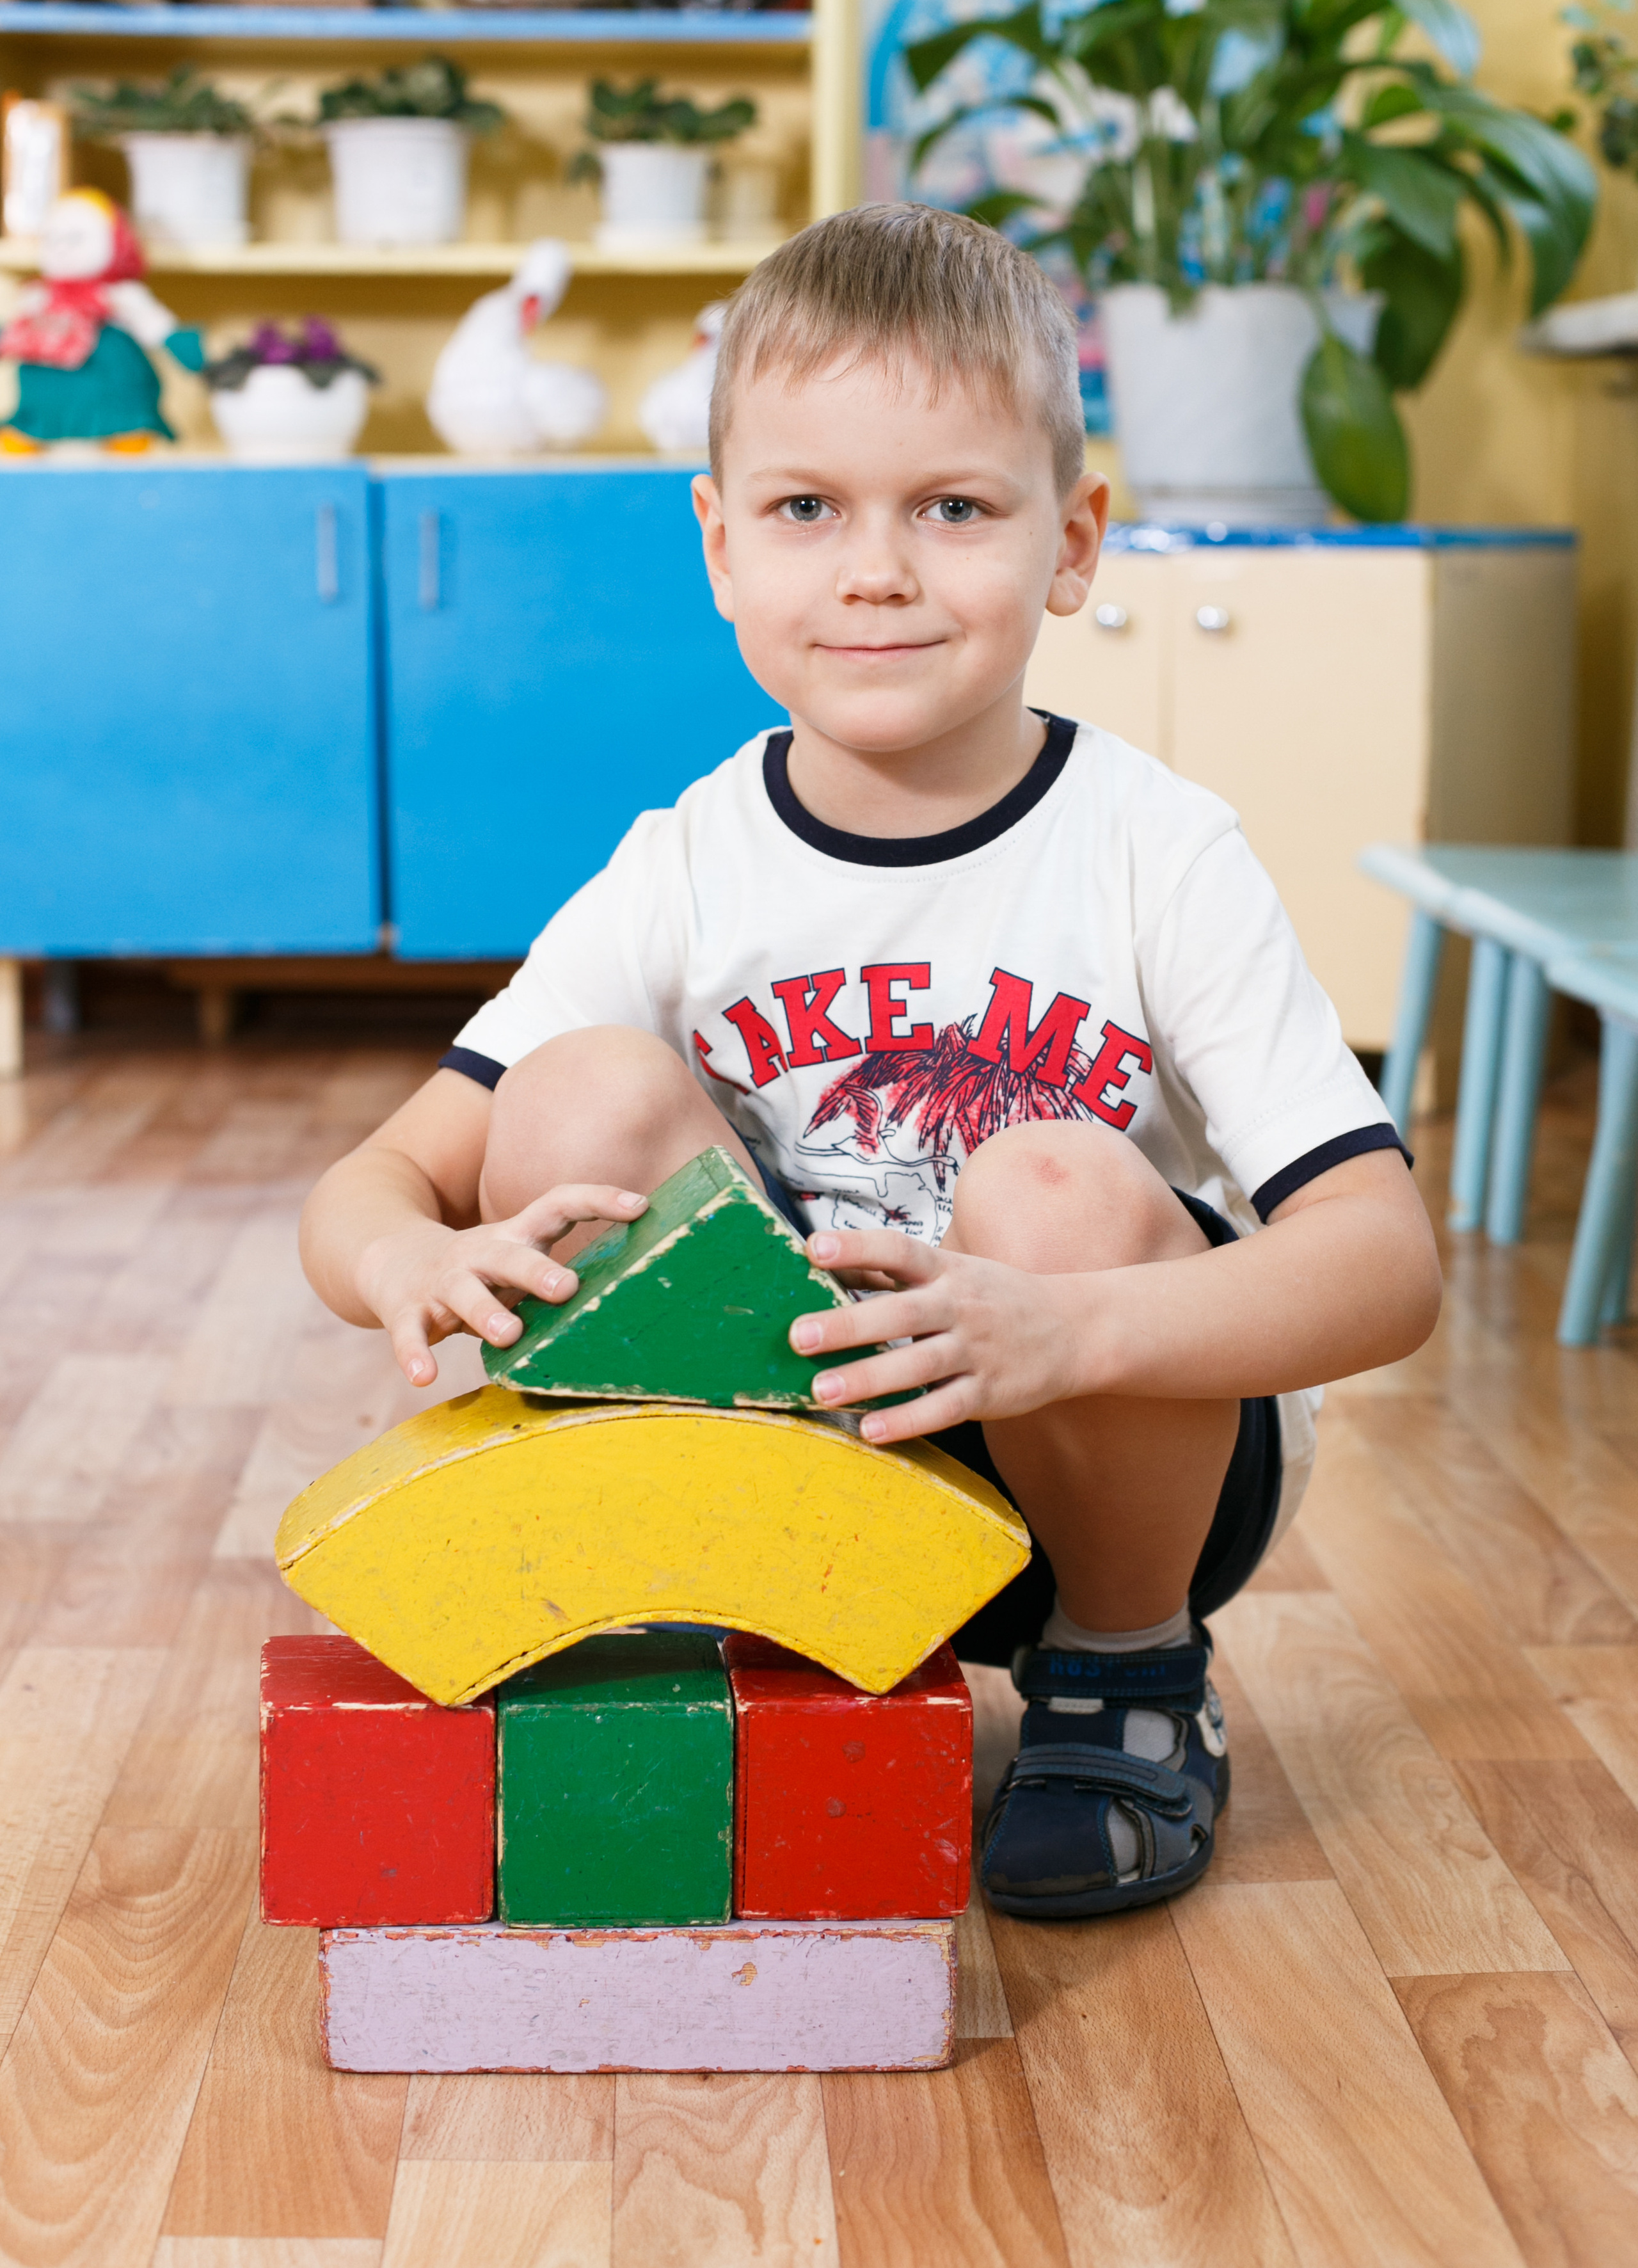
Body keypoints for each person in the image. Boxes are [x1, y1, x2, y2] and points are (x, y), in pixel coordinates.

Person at [301, 203, 1442, 1919]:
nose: (877, 570)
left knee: (1046, 1173)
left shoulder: (1156, 849)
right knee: (578, 1094)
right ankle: (737, 1606)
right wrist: (417, 1255)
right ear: (720, 547)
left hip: (1114, 1462)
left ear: (1073, 542)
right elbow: (369, 1182)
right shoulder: (688, 861)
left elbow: (1388, 1264)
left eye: (956, 510)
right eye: (808, 510)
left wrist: (1072, 1325)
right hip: (817, 1453)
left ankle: (1124, 1685)